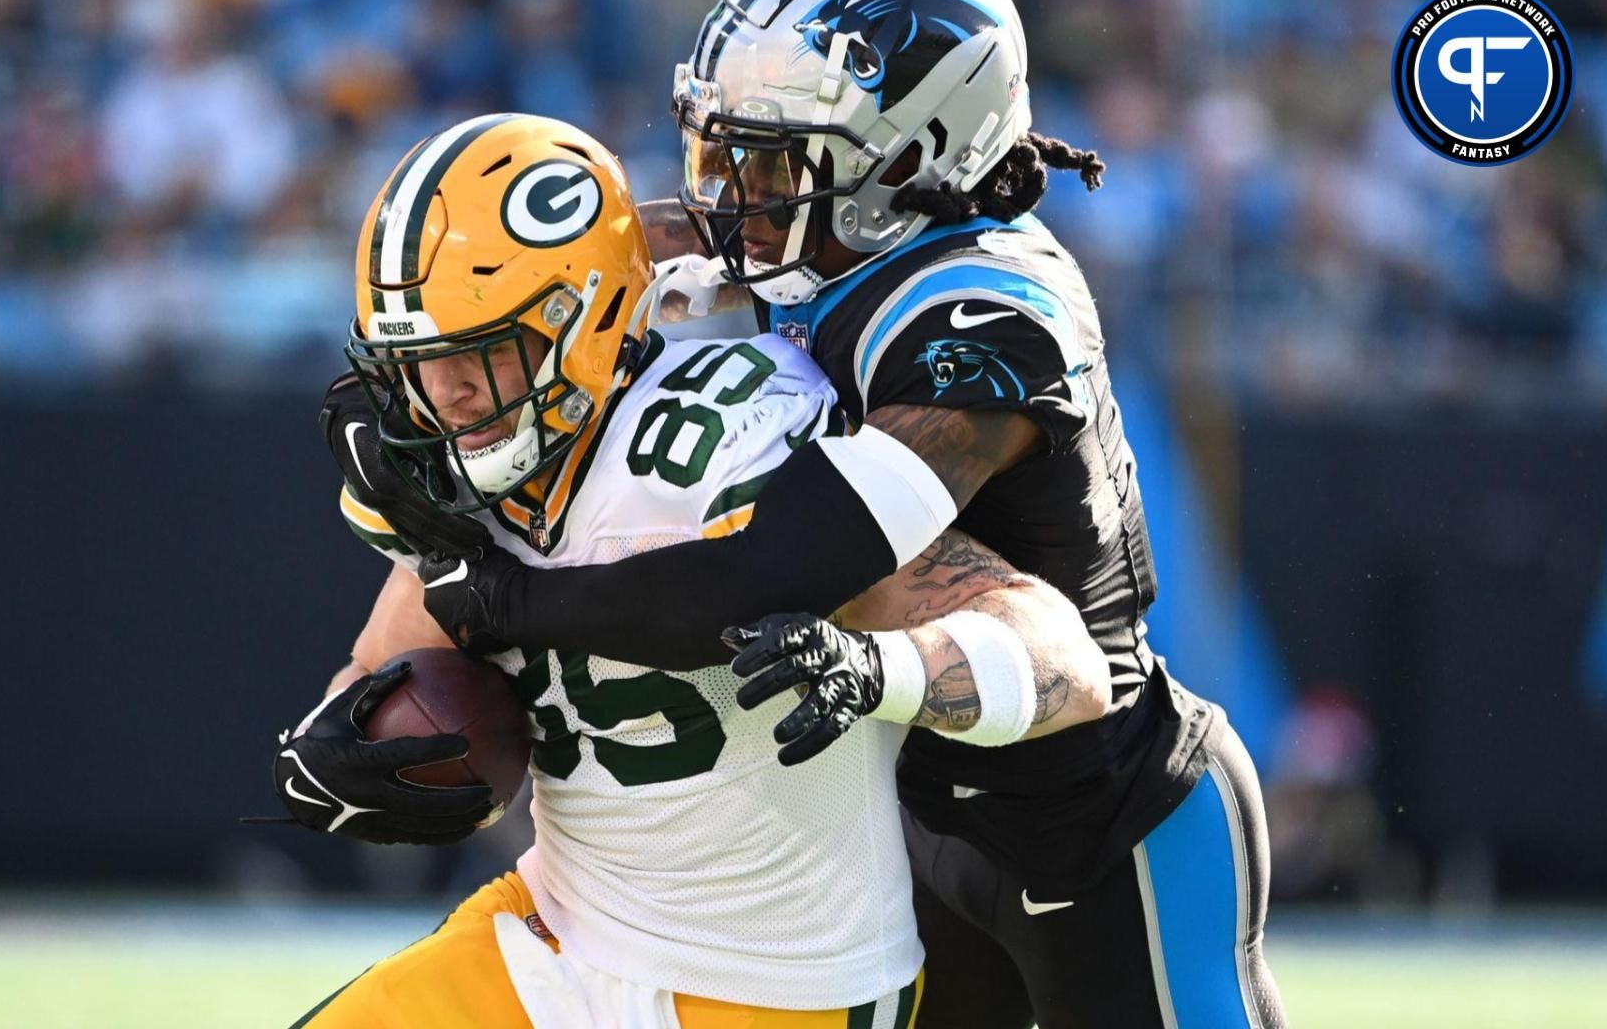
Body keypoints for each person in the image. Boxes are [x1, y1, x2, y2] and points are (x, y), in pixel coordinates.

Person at [399, 0, 1287, 1027]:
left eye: (771, 168)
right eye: (730, 154)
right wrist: (418, 346)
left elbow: (767, 577)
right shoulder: (831, 240)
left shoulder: (986, 315)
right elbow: (574, 255)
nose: (733, 199)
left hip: (1099, 816)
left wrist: (501, 601)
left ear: (912, 158)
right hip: (920, 827)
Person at [275, 112, 1114, 1028]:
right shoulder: (453, 467)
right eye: (419, 364)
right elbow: (387, 662)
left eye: (479, 354)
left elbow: (1066, 665)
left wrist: (887, 673)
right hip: (555, 935)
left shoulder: (731, 451)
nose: (447, 397)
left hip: (779, 991)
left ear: (582, 320)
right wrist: (351, 747)